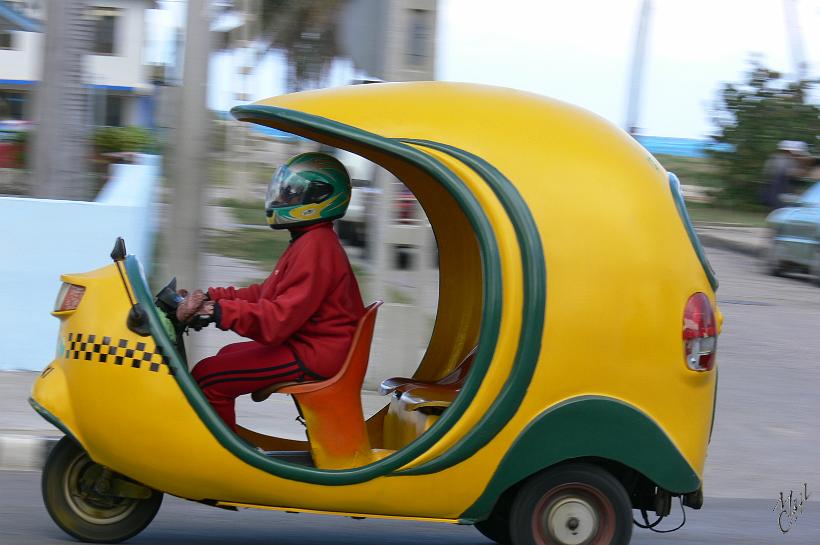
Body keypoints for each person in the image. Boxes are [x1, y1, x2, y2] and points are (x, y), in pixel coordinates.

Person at [176, 152, 365, 431]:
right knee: (226, 354)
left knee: (210, 378)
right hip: (310, 344)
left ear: (318, 199)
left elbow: (277, 321)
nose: (283, 200)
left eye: (291, 194)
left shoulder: (316, 246)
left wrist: (217, 312)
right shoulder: (309, 239)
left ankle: (224, 461)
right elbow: (265, 294)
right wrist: (212, 297)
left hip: (314, 354)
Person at [762, 140, 810, 209]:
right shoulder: (780, 159)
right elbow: (790, 173)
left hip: (781, 189)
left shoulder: (786, 159)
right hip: (776, 189)